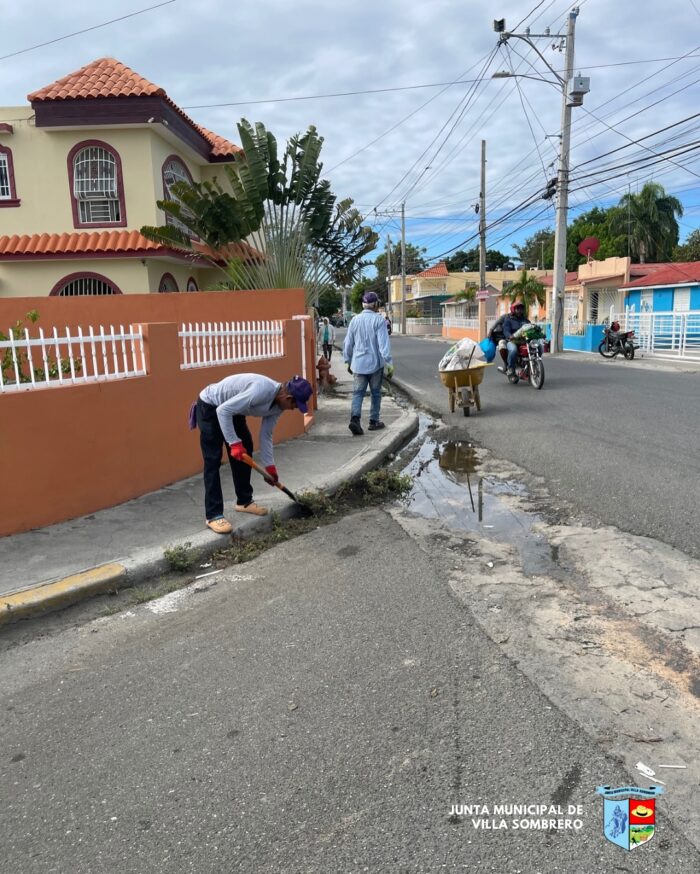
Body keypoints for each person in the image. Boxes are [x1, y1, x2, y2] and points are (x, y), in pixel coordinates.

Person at [195, 374, 313, 534]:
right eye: (294, 405)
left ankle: (244, 501)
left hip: (233, 410)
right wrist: (233, 443)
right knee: (213, 459)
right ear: (287, 396)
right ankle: (213, 515)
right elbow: (223, 411)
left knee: (246, 447)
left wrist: (270, 467)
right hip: (211, 406)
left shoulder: (279, 406)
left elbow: (266, 435)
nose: (293, 409)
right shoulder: (261, 390)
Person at [343, 291, 393, 436]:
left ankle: (355, 420)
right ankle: (373, 421)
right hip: (375, 365)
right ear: (376, 304)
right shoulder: (379, 321)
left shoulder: (354, 320)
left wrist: (348, 361)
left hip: (358, 364)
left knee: (358, 393)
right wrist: (389, 362)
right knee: (376, 393)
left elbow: (348, 344)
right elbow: (384, 344)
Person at [502, 301, 531, 376]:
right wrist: (510, 336)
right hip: (512, 341)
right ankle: (511, 368)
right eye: (517, 308)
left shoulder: (525, 320)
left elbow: (530, 327)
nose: (519, 310)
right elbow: (506, 331)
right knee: (513, 350)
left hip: (524, 341)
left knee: (539, 347)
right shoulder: (508, 320)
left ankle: (533, 363)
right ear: (513, 309)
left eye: (521, 308)